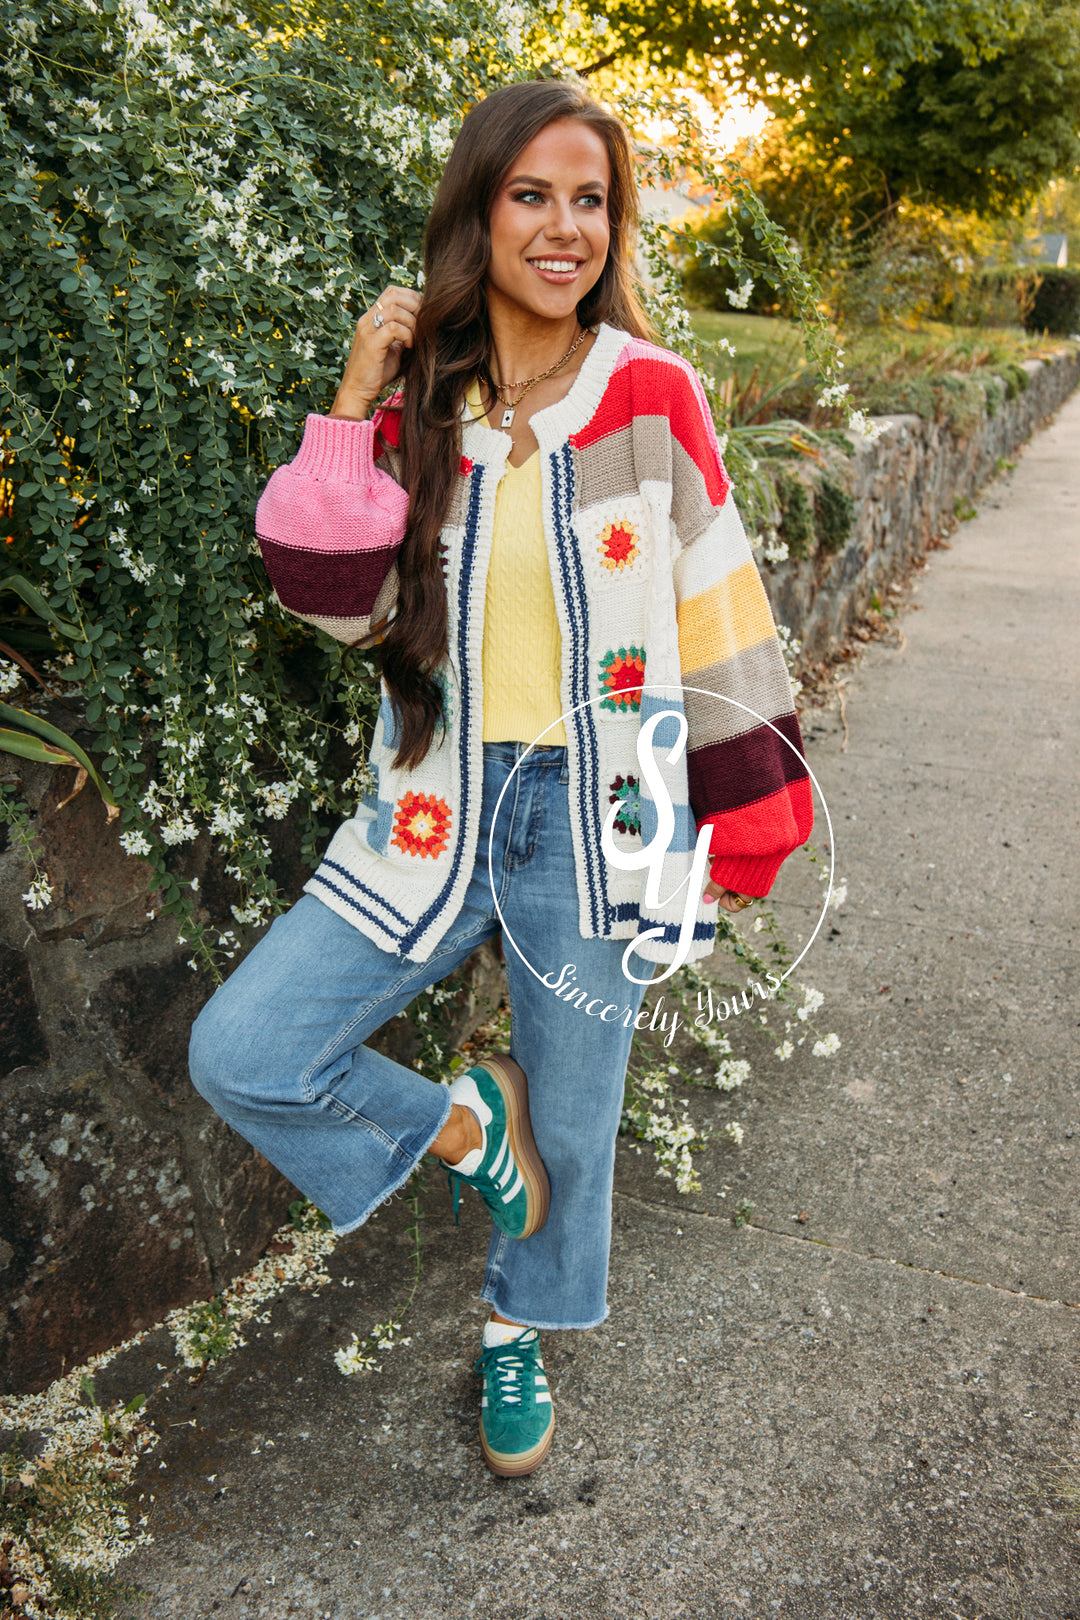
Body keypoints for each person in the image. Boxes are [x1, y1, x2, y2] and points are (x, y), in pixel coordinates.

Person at [188, 78, 812, 1479]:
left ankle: (512, 1333)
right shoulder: (426, 399)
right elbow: (335, 606)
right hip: (431, 804)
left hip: (601, 817)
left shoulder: (652, 396)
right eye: (531, 193)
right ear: (480, 210)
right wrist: (354, 405)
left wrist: (749, 809)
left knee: (579, 1118)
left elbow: (715, 603)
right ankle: (472, 1121)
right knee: (245, 1052)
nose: (565, 225)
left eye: (590, 199)